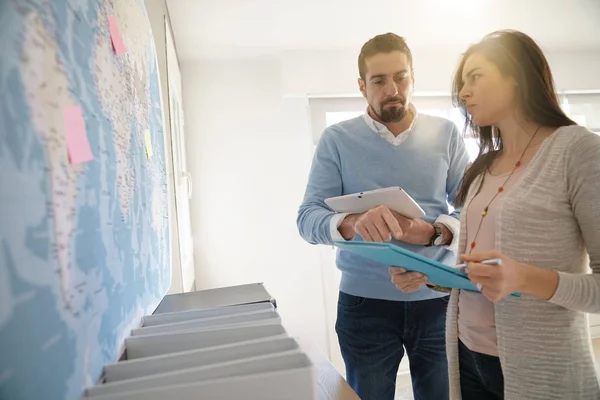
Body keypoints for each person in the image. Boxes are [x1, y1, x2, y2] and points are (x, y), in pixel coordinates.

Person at [390, 29, 600, 400]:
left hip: (542, 370)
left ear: (516, 76)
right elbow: (483, 274)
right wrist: (433, 276)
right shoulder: (483, 167)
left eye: (476, 77)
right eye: (462, 82)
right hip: (467, 355)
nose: (464, 92)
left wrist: (525, 278)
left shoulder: (578, 150)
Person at [297, 32, 470, 400]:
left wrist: (433, 232)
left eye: (401, 77)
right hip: (364, 308)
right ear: (362, 86)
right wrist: (351, 223)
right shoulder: (336, 140)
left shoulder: (447, 134)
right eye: (379, 80)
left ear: (413, 77)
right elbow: (307, 219)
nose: (393, 88)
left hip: (438, 299)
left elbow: (470, 208)